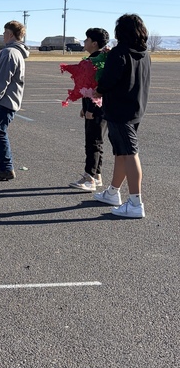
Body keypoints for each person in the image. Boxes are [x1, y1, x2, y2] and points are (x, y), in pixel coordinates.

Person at [94, 14, 150, 218]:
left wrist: (98, 90)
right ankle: (113, 192)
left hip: (120, 111)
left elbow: (109, 79)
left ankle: (135, 203)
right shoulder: (144, 53)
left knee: (130, 153)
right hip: (135, 108)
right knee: (120, 152)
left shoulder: (120, 53)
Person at [0, 21, 29, 181]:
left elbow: (3, 80)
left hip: (3, 102)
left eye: (4, 32)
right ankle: (4, 167)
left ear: (11, 34)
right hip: (7, 101)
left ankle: (6, 168)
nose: (3, 35)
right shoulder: (15, 52)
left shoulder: (9, 53)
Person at [69, 28, 110, 191]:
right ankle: (97, 175)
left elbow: (94, 87)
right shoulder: (102, 58)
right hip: (98, 107)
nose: (84, 42)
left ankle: (89, 177)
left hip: (96, 108)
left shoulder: (94, 62)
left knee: (92, 143)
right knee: (97, 141)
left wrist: (90, 108)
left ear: (94, 43)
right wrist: (84, 107)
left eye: (87, 39)